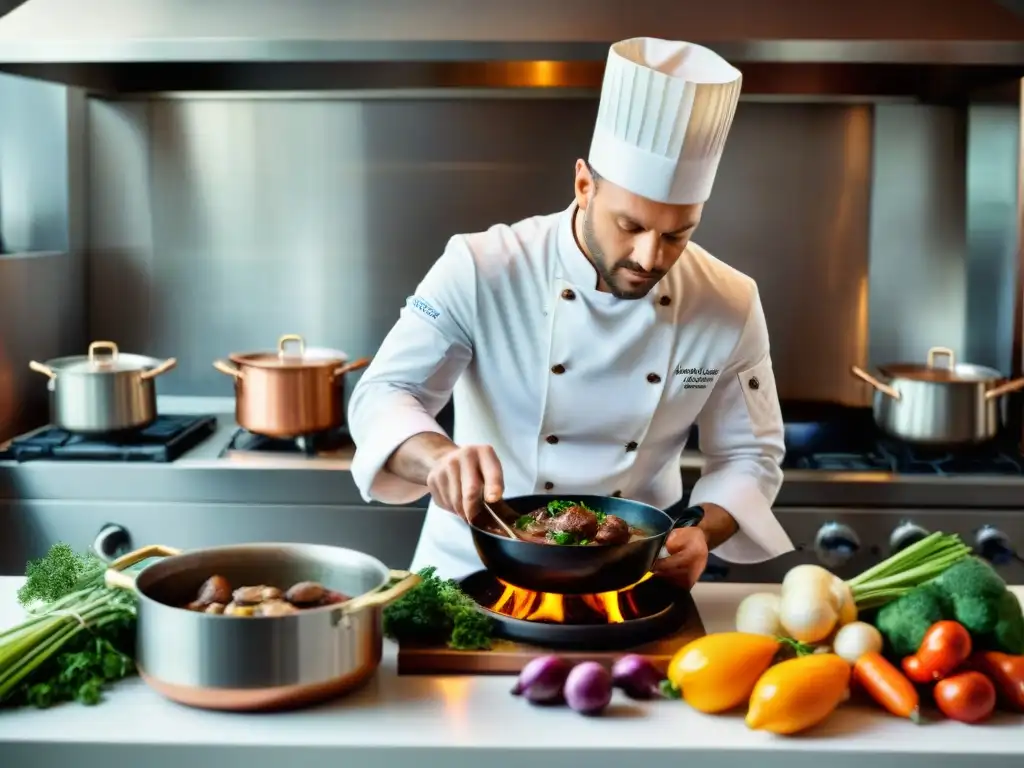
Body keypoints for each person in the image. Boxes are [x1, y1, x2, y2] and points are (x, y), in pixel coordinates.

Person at [348, 37, 794, 589]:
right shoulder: (482, 266)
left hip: (632, 579)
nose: (649, 258)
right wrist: (437, 456)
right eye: (630, 226)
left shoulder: (728, 300)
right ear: (584, 185)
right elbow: (385, 393)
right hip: (471, 569)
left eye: (678, 234)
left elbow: (751, 453)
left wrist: (702, 529)